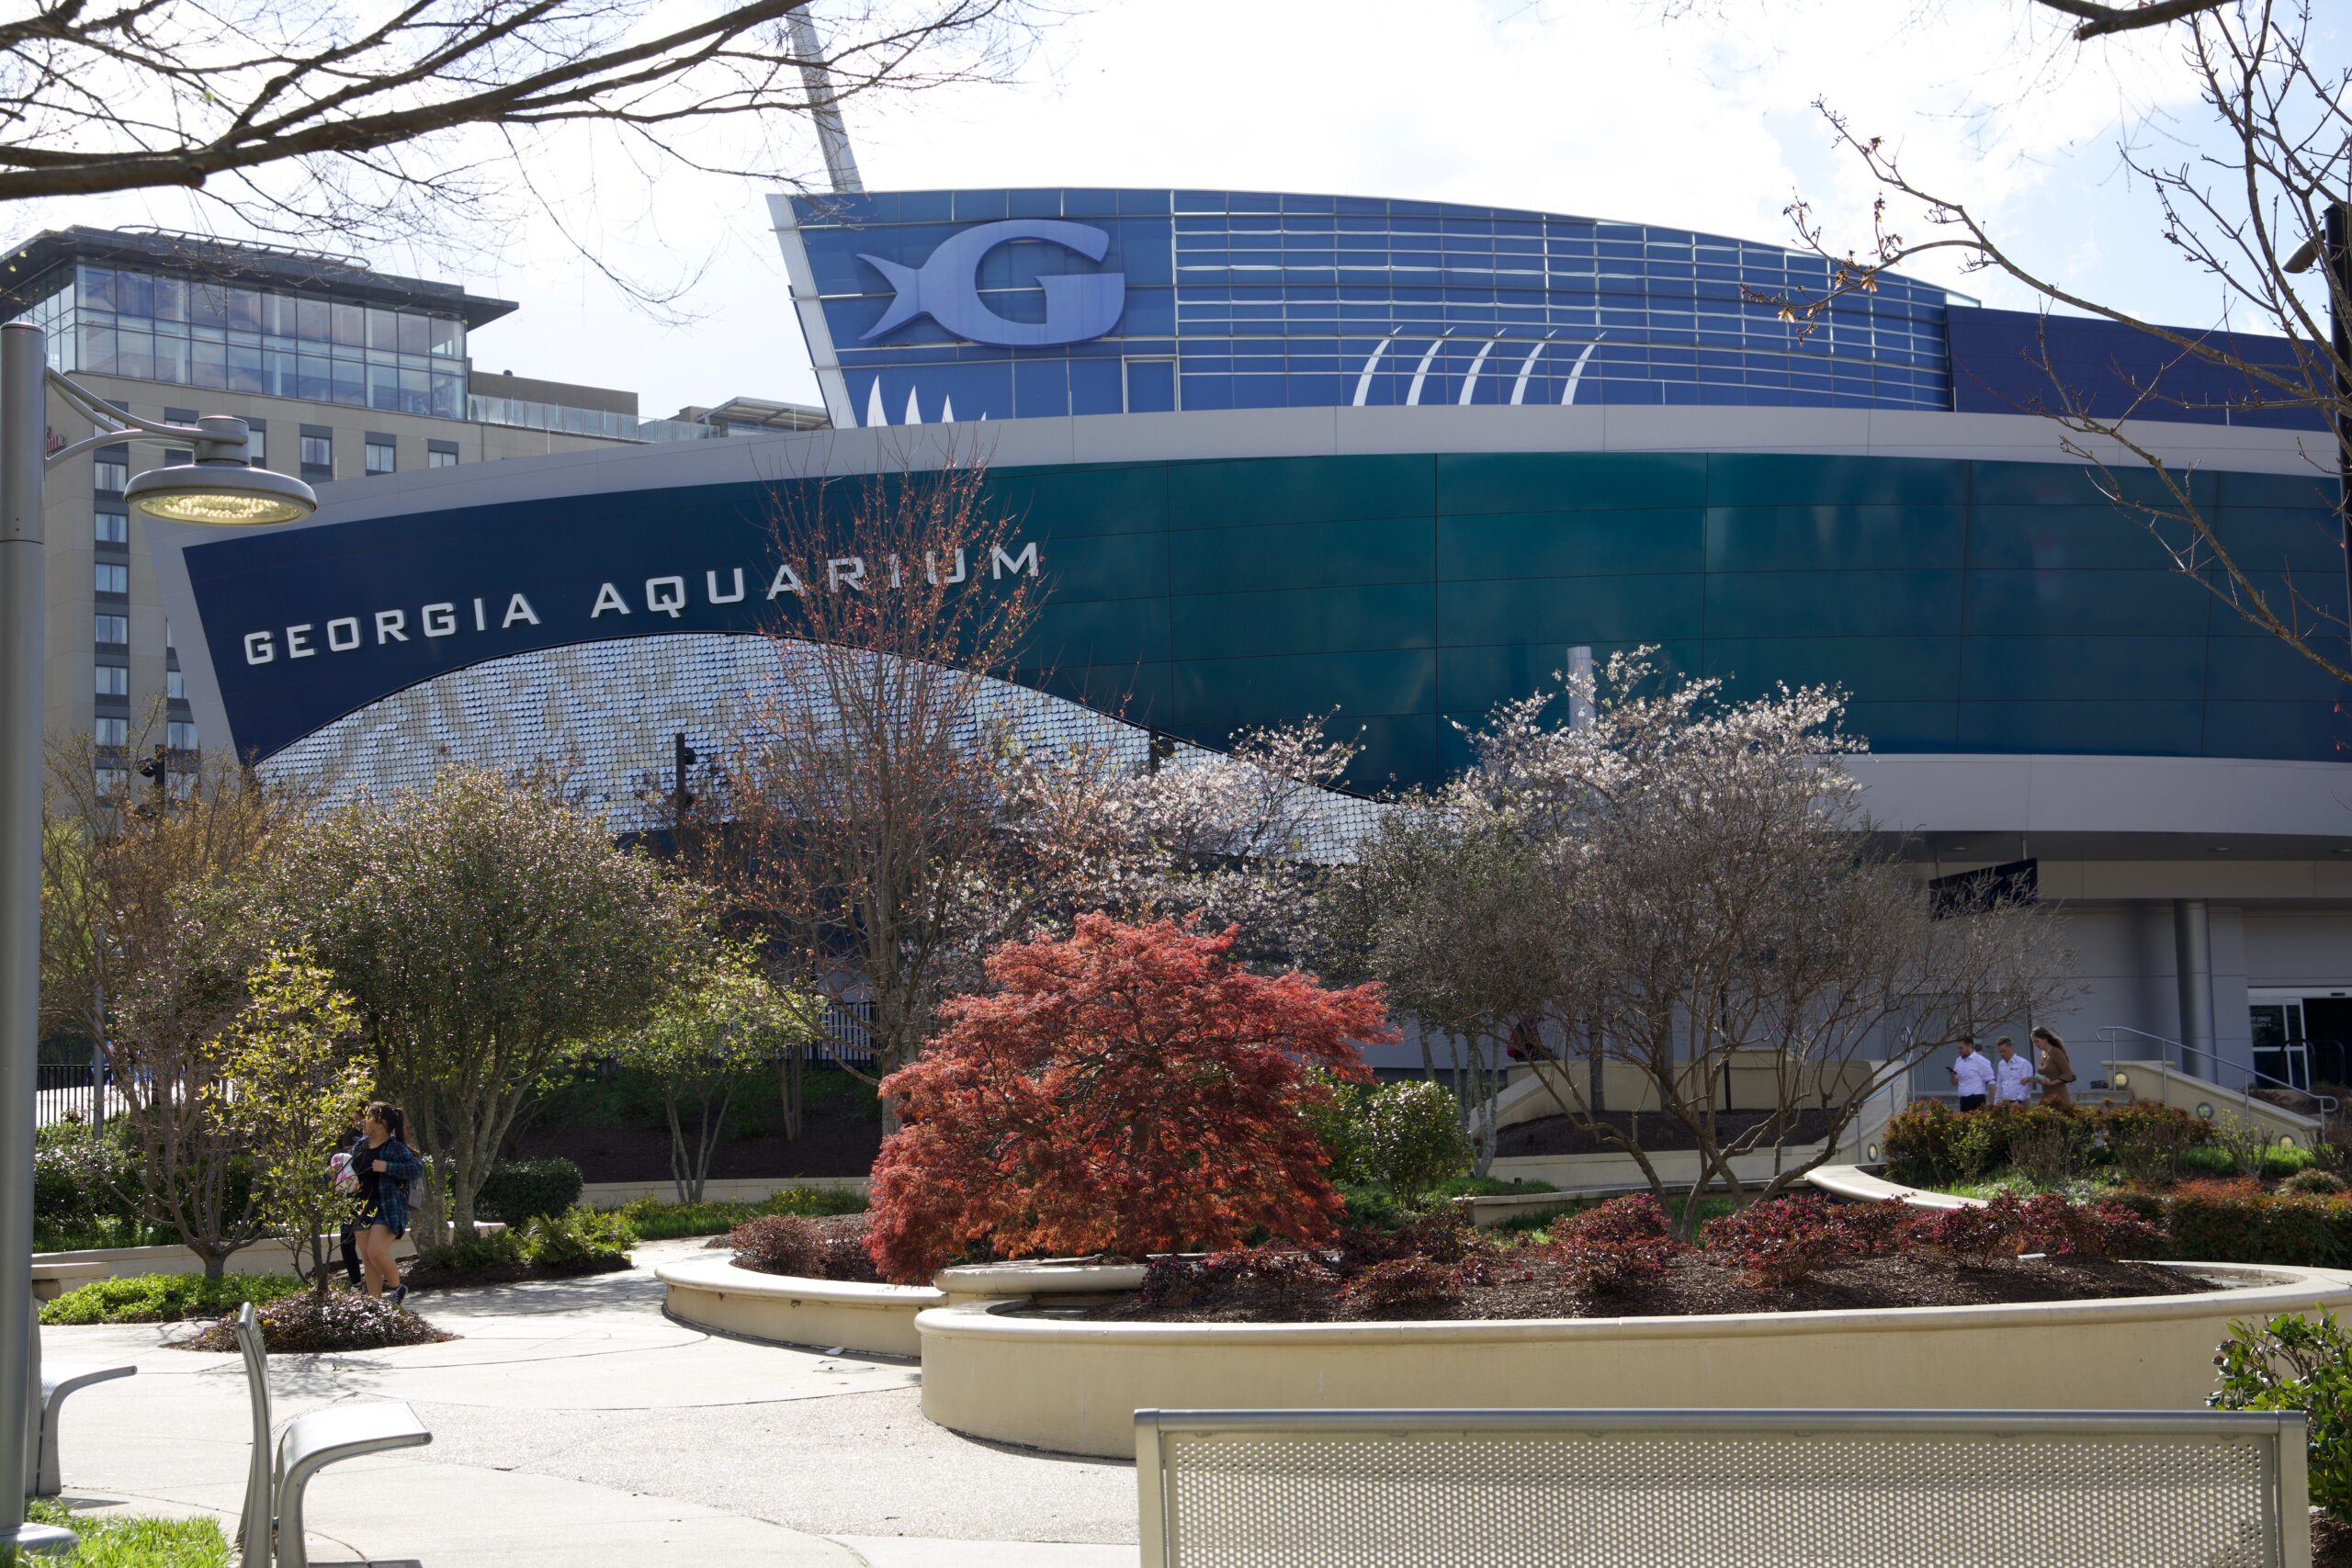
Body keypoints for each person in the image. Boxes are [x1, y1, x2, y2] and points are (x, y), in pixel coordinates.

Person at [346, 1101, 423, 1305]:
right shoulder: (360, 1146)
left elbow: (416, 1169)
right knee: (368, 1258)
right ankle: (376, 1305)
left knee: (376, 1251)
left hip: (388, 1206)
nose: (362, 1121)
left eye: (368, 1117)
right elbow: (349, 1171)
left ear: (380, 1123)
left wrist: (387, 1167)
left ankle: (397, 1288)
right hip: (362, 1206)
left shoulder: (393, 1147)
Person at [2032, 1026, 2077, 1109]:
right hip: (2046, 1096)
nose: (2035, 1044)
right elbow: (2043, 1075)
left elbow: (2068, 1075)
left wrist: (2051, 1083)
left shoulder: (2056, 1052)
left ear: (2045, 1038)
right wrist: (2035, 1079)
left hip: (2059, 1097)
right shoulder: (2042, 1054)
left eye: (2037, 1041)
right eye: (2034, 1042)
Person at [1949, 1038, 1996, 1111]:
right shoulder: (1958, 1060)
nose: (1959, 1051)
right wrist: (1952, 1077)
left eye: (1961, 1048)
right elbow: (1955, 1083)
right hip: (1963, 1100)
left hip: (1977, 1099)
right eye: (1958, 1048)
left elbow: (1991, 1082)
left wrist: (1993, 1104)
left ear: (1970, 1046)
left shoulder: (1981, 1060)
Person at [1991, 1037, 2038, 1106]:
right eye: (2000, 1052)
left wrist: (2019, 1100)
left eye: (2004, 1051)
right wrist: (1996, 1102)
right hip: (2005, 1102)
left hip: (2020, 1101)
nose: (2002, 1054)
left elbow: (2027, 1085)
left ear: (2011, 1048)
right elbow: (2000, 1084)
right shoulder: (2001, 1064)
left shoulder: (2023, 1063)